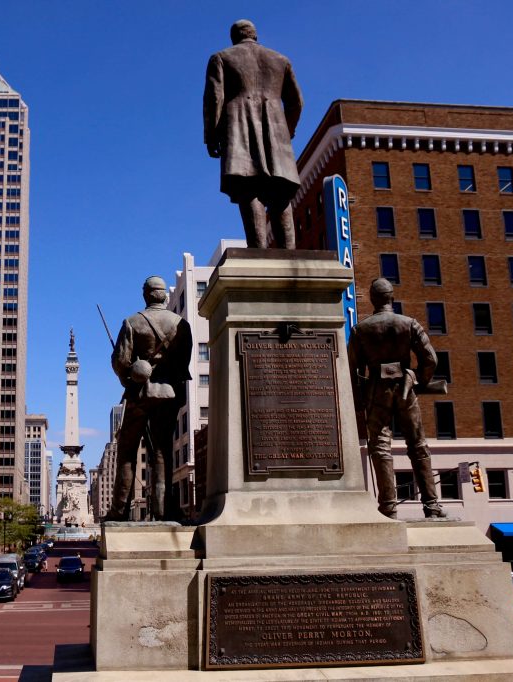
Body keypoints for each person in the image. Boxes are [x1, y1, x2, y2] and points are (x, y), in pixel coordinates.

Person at [348, 278, 446, 520]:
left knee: (380, 447)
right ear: (392, 298)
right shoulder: (409, 323)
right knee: (418, 445)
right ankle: (432, 506)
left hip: (375, 391)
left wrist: (359, 399)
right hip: (405, 387)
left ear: (372, 299)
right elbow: (430, 359)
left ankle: (388, 507)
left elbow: (352, 370)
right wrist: (418, 378)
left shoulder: (361, 330)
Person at [203, 19, 304, 249]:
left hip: (240, 128)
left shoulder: (222, 58)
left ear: (234, 37)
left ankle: (258, 252)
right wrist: (287, 129)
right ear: (255, 35)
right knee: (280, 193)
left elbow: (214, 99)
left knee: (249, 189)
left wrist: (211, 135)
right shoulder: (280, 60)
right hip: (276, 133)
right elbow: (297, 102)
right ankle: (289, 252)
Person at [106, 276, 193, 522]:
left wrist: (129, 377)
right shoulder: (181, 324)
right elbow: (183, 363)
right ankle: (164, 510)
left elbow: (121, 361)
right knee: (162, 451)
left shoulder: (133, 322)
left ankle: (119, 511)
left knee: (127, 450)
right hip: (168, 394)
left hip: (140, 395)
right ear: (164, 296)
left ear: (146, 295)